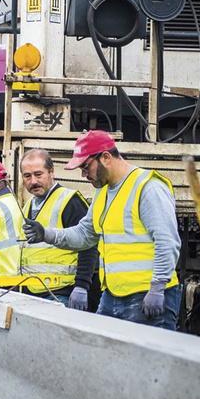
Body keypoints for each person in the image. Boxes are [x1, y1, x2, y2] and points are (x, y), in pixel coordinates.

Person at [23, 130, 181, 329]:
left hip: (148, 295)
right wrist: (46, 234)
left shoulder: (147, 187)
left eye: (86, 167)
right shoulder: (103, 192)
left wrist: (158, 287)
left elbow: (167, 241)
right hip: (113, 294)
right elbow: (84, 235)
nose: (83, 174)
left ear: (106, 157)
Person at [20, 149, 98, 310]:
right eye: (27, 176)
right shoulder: (29, 205)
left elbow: (88, 244)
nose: (33, 181)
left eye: (38, 174)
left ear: (51, 172)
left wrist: (82, 286)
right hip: (33, 291)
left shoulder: (69, 200)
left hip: (62, 292)